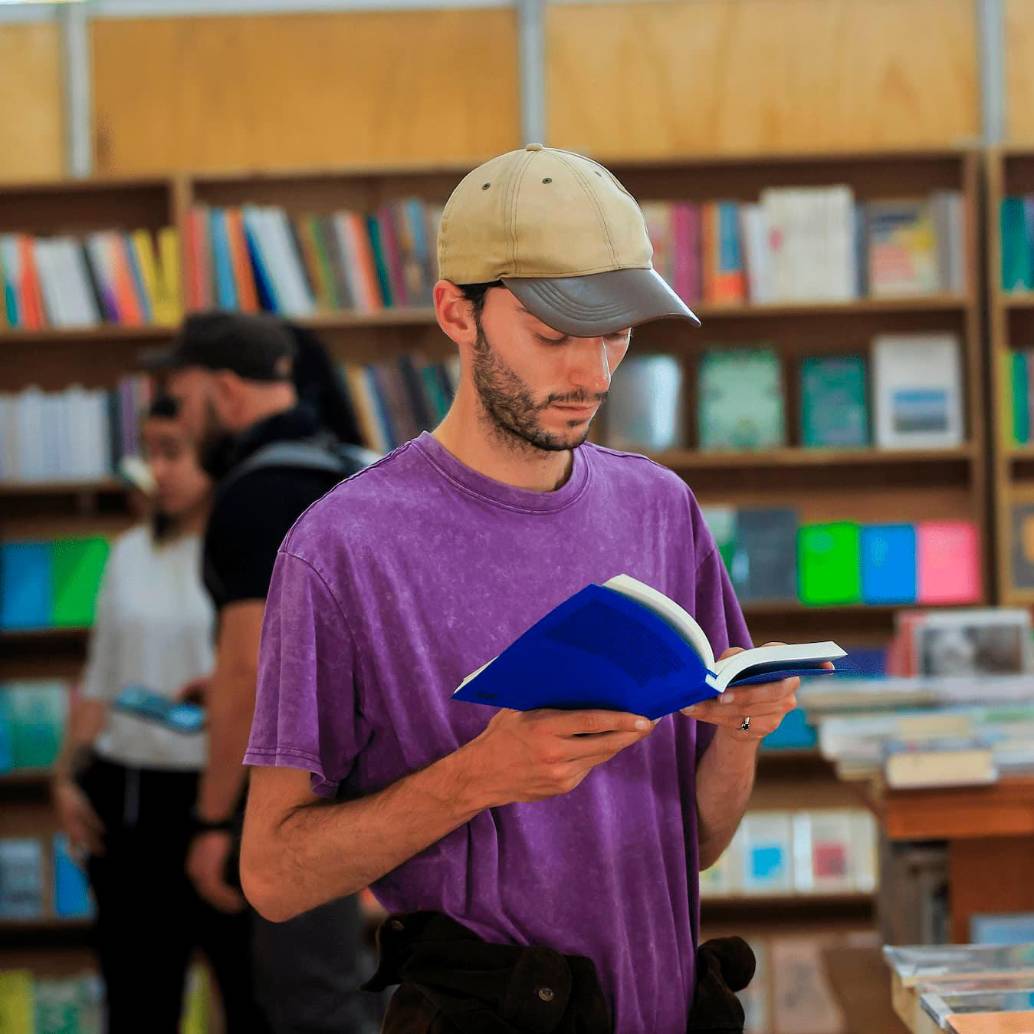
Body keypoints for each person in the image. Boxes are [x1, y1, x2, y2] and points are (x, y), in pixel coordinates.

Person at [238, 145, 807, 1033]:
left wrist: (740, 727)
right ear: (454, 313)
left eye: (615, 332)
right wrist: (477, 779)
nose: (592, 374)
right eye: (553, 334)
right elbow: (272, 878)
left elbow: (696, 847)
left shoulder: (661, 509)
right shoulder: (342, 549)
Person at [158, 312, 374, 1033]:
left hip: (312, 800)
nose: (179, 420)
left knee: (309, 1004)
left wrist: (214, 821)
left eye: (182, 399)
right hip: (405, 784)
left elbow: (250, 666)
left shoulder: (254, 492)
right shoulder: (358, 463)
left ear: (224, 390)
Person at [51, 395, 266, 1034]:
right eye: (152, 453)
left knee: (250, 995)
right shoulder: (126, 554)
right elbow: (101, 682)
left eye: (175, 453)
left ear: (214, 458)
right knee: (138, 1000)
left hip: (221, 795)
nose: (160, 470)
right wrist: (66, 775)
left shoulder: (249, 558)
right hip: (129, 793)